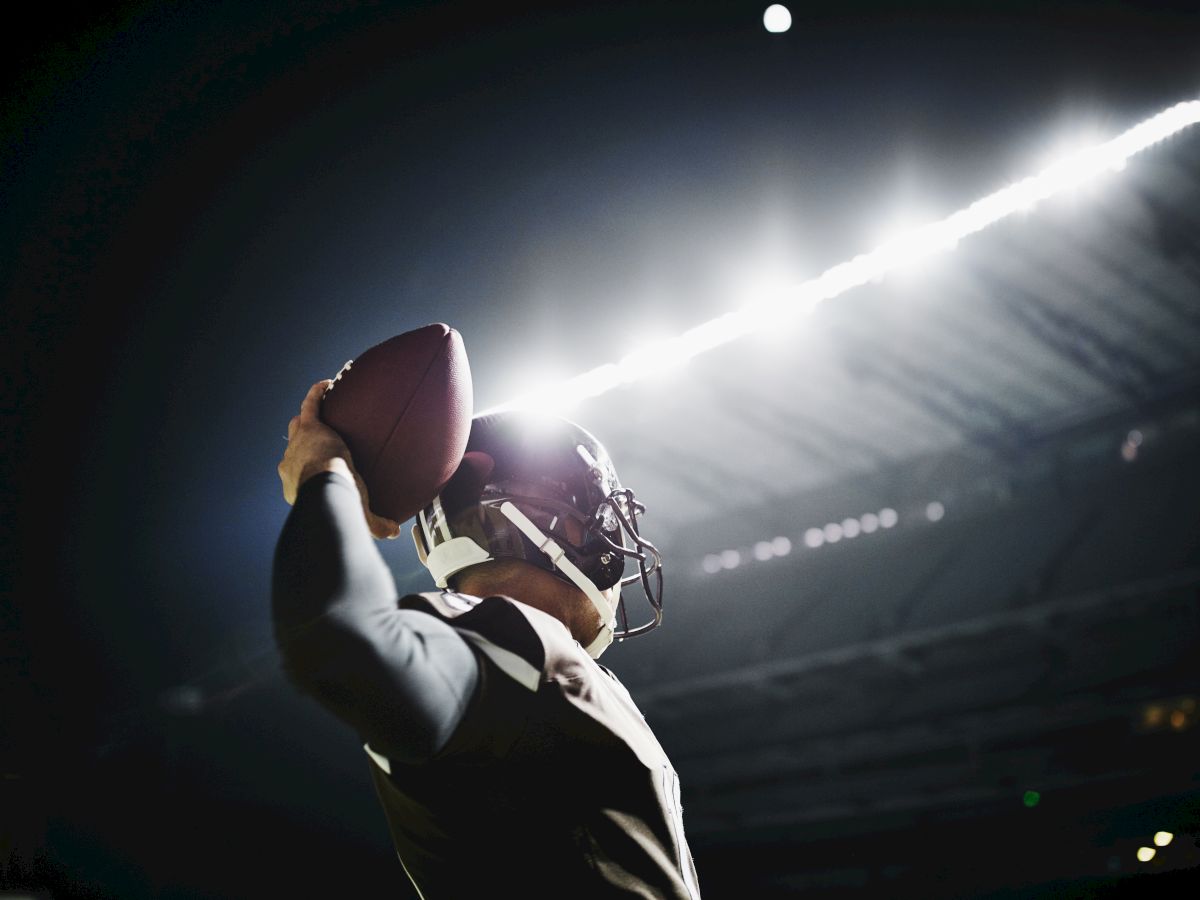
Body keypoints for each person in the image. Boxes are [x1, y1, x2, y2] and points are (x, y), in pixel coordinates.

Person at [273, 379, 701, 898]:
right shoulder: (517, 641)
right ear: (556, 525)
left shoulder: (535, 661)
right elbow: (337, 637)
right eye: (602, 518)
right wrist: (322, 471)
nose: (613, 537)